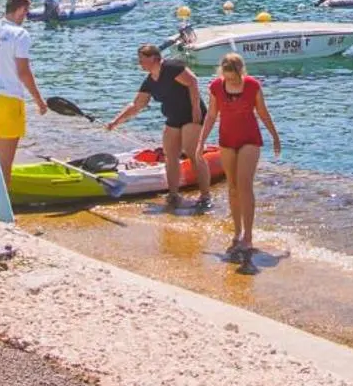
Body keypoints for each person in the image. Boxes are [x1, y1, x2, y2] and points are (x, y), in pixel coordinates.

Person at [106, 44, 209, 211]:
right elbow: (137, 105)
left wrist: (196, 107)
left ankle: (205, 196)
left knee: (193, 153)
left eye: (142, 59)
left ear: (154, 58)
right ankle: (174, 195)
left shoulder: (171, 67)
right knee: (170, 155)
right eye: (139, 60)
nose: (140, 63)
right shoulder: (149, 82)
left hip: (192, 115)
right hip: (173, 118)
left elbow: (192, 82)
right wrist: (116, 121)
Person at [199, 53, 280, 262]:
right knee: (232, 187)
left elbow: (263, 112)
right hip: (227, 140)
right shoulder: (216, 86)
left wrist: (275, 136)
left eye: (234, 78)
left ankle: (248, 235)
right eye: (227, 78)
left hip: (250, 139)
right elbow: (211, 115)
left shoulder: (252, 86)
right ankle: (236, 231)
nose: (230, 81)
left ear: (241, 72)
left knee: (245, 185)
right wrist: (201, 141)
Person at [0, 0, 49, 174]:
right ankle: (2, 202)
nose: (26, 17)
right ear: (20, 10)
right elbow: (23, 72)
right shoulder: (20, 34)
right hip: (10, 100)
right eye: (26, 12)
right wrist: (39, 101)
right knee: (4, 164)